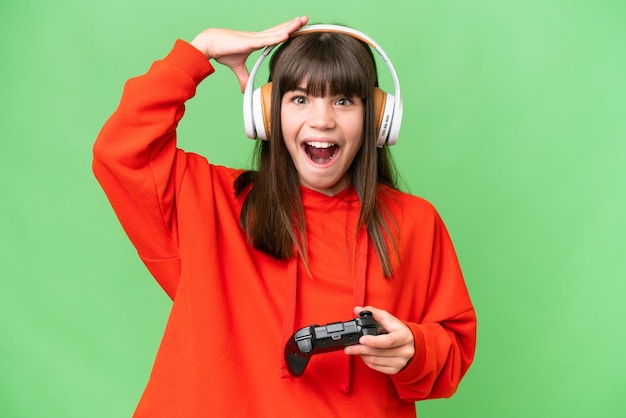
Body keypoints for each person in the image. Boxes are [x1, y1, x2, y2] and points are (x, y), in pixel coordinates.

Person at [93, 16, 476, 417]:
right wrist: (198, 51)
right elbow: (120, 152)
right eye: (299, 98)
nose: (322, 119)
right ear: (266, 114)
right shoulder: (210, 202)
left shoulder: (414, 223)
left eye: (344, 100)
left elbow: (451, 352)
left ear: (378, 118)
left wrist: (415, 349)